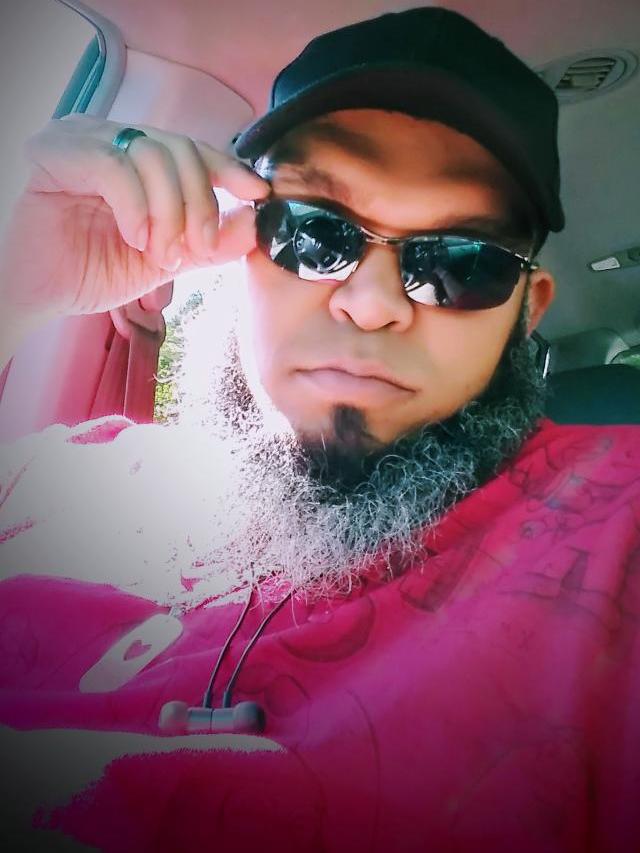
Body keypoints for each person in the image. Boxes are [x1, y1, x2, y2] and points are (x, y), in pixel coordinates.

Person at [0, 6, 639, 852]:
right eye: (313, 232)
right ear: (236, 243)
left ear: (527, 312)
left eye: (463, 263)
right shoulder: (53, 488)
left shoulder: (618, 526)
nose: (371, 304)